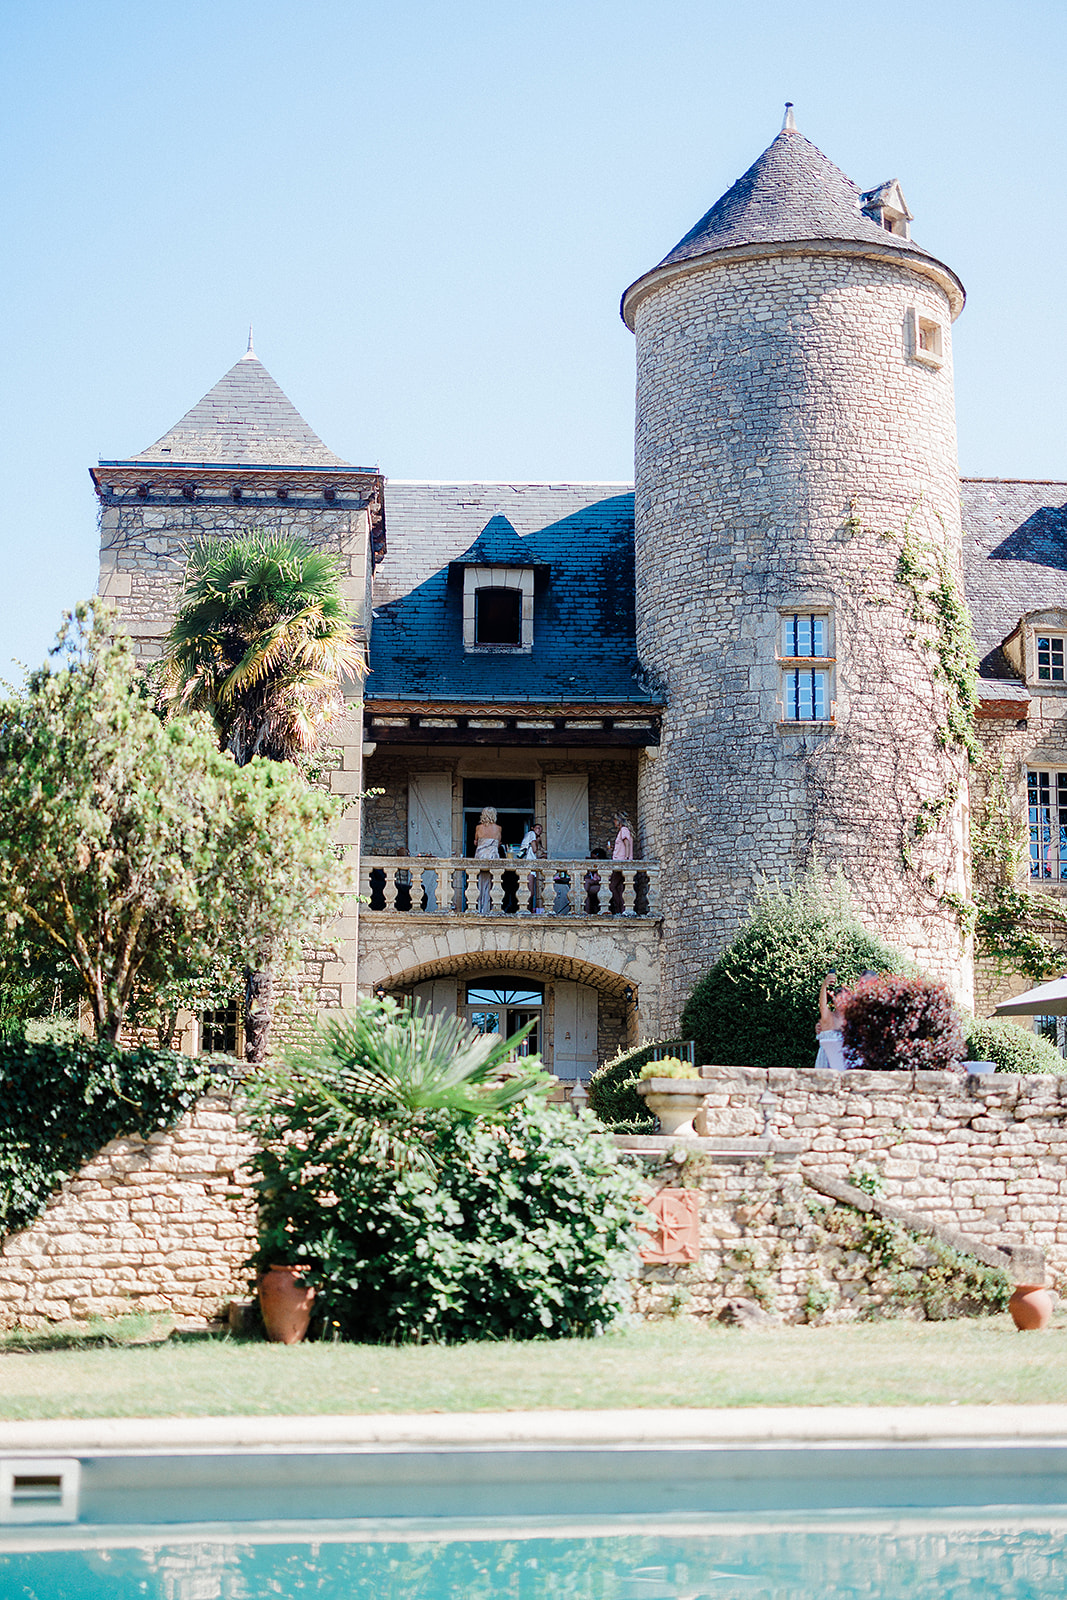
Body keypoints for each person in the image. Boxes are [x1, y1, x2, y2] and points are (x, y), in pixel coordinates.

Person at [814, 970, 852, 1072]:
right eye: (839, 998)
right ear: (834, 999)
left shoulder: (851, 1021)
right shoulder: (828, 1017)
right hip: (825, 1062)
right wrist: (824, 985)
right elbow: (822, 1004)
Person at [473, 806, 502, 914]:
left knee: (479, 882)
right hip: (492, 856)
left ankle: (480, 908)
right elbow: (498, 843)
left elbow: (476, 841)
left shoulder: (478, 828)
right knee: (494, 883)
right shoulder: (498, 828)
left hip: (481, 855)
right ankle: (490, 908)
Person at [517, 820, 544, 912]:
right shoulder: (531, 833)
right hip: (528, 866)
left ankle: (527, 910)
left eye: (541, 829)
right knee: (530, 892)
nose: (540, 830)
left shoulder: (528, 835)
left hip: (527, 865)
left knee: (527, 891)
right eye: (538, 828)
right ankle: (526, 911)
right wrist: (537, 841)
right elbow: (534, 849)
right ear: (532, 828)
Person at [610, 811, 634, 915]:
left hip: (620, 864)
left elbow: (627, 844)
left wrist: (627, 859)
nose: (614, 822)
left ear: (619, 821)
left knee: (613, 886)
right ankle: (621, 909)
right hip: (620, 862)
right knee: (620, 887)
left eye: (615, 820)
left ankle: (619, 908)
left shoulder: (624, 830)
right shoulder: (623, 831)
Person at [584, 847, 607, 914]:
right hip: (593, 885)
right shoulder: (593, 867)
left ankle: (580, 901)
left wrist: (594, 881)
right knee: (586, 895)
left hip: (603, 886)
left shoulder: (605, 866)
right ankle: (586, 912)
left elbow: (606, 879)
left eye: (594, 858)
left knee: (585, 890)